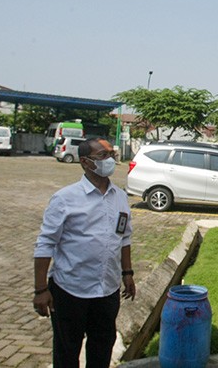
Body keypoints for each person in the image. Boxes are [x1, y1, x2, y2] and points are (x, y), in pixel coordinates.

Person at [33, 137, 135, 367]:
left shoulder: (119, 196)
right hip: (71, 290)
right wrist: (40, 289)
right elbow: (45, 243)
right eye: (103, 155)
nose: (110, 160)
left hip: (107, 291)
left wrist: (127, 273)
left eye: (112, 154)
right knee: (67, 352)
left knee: (102, 347)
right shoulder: (65, 198)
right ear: (85, 162)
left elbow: (124, 236)